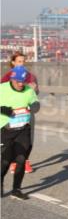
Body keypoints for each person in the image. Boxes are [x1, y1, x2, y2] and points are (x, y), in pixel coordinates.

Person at [1, 66, 41, 199]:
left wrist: (35, 106)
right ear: (12, 78)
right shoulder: (2, 88)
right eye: (17, 80)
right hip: (5, 130)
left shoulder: (29, 90)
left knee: (21, 159)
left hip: (22, 130)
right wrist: (3, 109)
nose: (20, 83)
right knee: (5, 161)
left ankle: (16, 189)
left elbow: (35, 102)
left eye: (22, 81)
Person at [2, 52, 39, 174]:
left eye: (23, 61)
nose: (21, 64)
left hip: (27, 112)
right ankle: (13, 162)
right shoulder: (7, 77)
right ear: (13, 62)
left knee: (29, 139)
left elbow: (35, 93)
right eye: (19, 61)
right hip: (11, 114)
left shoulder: (31, 76)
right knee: (12, 140)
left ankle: (25, 161)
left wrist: (34, 90)